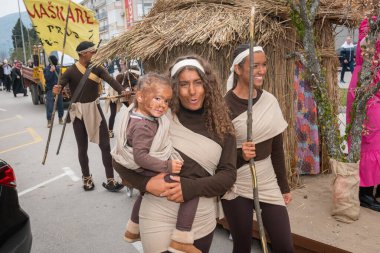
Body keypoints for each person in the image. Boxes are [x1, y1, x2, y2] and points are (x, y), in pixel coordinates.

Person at [112, 55, 237, 253]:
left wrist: (191, 187)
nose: (192, 91)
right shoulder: (159, 116)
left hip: (201, 215)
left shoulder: (221, 123)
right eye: (184, 84)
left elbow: (228, 175)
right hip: (158, 210)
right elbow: (119, 160)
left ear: (207, 86)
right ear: (174, 88)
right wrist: (145, 183)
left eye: (198, 83)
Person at [113, 72, 204, 252]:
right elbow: (140, 157)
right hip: (146, 168)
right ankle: (182, 238)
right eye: (157, 98)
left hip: (143, 168)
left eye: (166, 101)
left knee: (146, 193)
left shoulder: (140, 116)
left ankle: (133, 228)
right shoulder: (143, 126)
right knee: (189, 187)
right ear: (139, 96)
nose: (162, 105)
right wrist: (167, 166)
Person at [223, 44, 294, 253]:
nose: (261, 71)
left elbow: (277, 148)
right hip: (236, 184)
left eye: (264, 65)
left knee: (284, 246)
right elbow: (217, 158)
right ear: (238, 69)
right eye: (254, 65)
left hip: (267, 180)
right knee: (242, 246)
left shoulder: (269, 101)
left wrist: (283, 186)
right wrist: (240, 155)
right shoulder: (224, 107)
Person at [52, 41, 128, 192]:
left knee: (105, 146)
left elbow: (110, 80)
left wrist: (122, 90)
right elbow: (59, 86)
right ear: (83, 54)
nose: (94, 54)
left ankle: (110, 180)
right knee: (82, 147)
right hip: (78, 112)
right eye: (91, 51)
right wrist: (56, 89)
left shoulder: (97, 67)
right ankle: (87, 178)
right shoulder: (70, 71)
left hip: (94, 109)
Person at [346, 2, 380, 212]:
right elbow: (366, 52)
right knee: (369, 137)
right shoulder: (369, 23)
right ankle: (364, 192)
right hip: (367, 85)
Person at [105, 66, 140, 138]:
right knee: (113, 113)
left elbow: (135, 88)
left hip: (124, 95)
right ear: (132, 73)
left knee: (132, 110)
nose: (137, 76)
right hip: (114, 94)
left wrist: (133, 91)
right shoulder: (120, 76)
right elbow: (118, 87)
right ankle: (110, 131)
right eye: (136, 75)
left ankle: (133, 129)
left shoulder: (134, 79)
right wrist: (126, 91)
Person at [43, 55, 64, 128]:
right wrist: (51, 71)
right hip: (50, 89)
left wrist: (62, 86)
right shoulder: (46, 69)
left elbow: (61, 78)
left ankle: (60, 119)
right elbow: (47, 78)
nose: (57, 61)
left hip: (58, 89)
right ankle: (49, 121)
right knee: (50, 106)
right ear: (51, 61)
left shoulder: (58, 68)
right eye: (55, 60)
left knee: (60, 104)